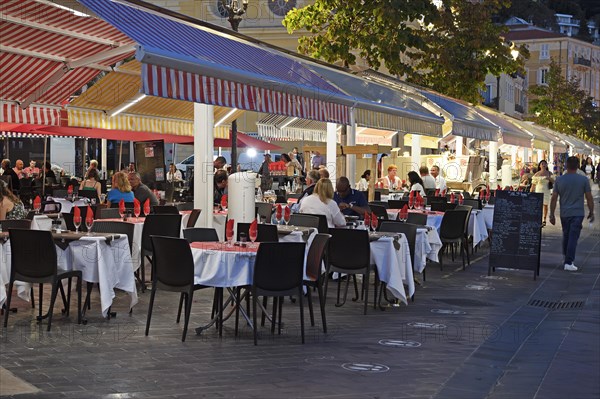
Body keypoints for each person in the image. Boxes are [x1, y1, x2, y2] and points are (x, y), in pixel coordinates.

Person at [549, 156, 594, 271]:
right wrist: (591, 211)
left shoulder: (559, 180)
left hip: (565, 213)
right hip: (578, 212)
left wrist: (552, 214)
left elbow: (554, 198)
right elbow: (589, 198)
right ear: (578, 166)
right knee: (573, 236)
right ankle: (569, 262)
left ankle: (566, 257)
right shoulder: (583, 180)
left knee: (567, 235)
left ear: (566, 166)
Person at [531, 160, 554, 226]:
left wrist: (548, 178)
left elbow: (553, 181)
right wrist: (531, 191)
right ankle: (539, 219)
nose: (543, 165)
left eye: (545, 164)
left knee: (545, 205)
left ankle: (544, 219)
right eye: (542, 164)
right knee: (539, 205)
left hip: (546, 190)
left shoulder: (549, 173)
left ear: (546, 165)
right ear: (540, 165)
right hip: (539, 190)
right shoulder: (537, 174)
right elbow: (533, 184)